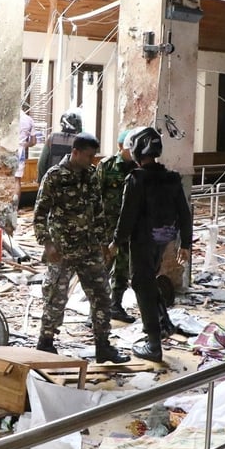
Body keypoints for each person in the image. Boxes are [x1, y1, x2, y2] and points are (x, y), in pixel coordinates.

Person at [33, 132, 130, 364]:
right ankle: (45, 342)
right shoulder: (55, 176)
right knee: (55, 298)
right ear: (75, 152)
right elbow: (39, 215)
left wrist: (104, 243)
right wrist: (47, 244)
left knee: (101, 296)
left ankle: (103, 346)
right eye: (88, 156)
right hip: (62, 251)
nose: (92, 160)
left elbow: (98, 212)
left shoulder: (90, 176)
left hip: (89, 250)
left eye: (94, 156)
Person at [110, 127, 192, 362]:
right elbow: (184, 214)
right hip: (164, 239)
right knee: (149, 280)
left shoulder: (137, 179)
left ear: (137, 149)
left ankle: (153, 343)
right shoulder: (172, 178)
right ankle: (163, 322)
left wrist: (116, 241)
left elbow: (127, 216)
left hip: (143, 240)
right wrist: (185, 243)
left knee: (141, 283)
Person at [95, 129, 138, 323]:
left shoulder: (137, 168)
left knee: (122, 271)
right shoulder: (107, 166)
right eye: (130, 148)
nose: (133, 152)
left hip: (128, 228)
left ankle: (116, 305)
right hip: (108, 228)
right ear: (120, 147)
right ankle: (96, 312)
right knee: (102, 269)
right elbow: (95, 197)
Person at [36, 109, 83, 183]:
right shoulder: (80, 141)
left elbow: (41, 163)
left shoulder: (52, 138)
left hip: (52, 181)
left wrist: (41, 181)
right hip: (72, 183)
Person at [14, 109, 36, 205]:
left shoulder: (10, 117)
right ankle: (15, 209)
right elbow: (33, 142)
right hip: (20, 151)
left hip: (6, 150)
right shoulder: (29, 120)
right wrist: (24, 144)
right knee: (17, 180)